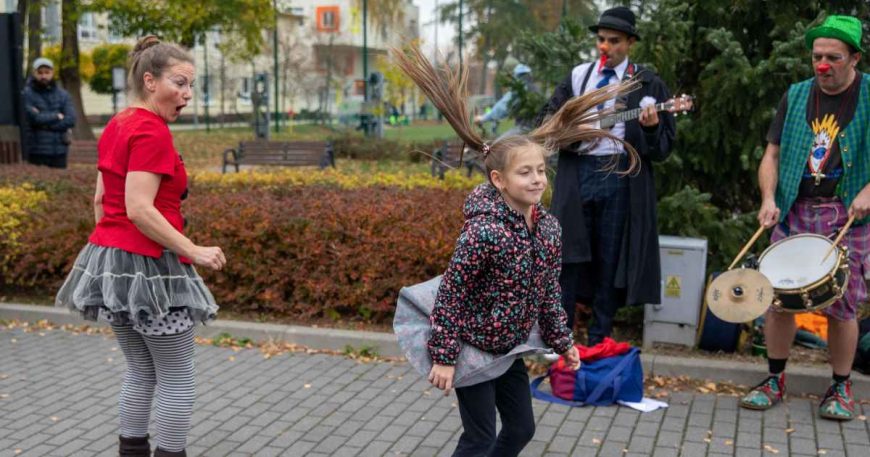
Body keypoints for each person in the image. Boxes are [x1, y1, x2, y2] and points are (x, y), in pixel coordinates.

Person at [392, 44, 638, 457]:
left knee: (521, 429)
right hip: (471, 349)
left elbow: (546, 293)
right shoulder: (483, 232)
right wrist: (445, 357)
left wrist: (563, 342)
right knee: (479, 437)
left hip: (509, 350)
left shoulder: (548, 229)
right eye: (525, 172)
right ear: (499, 180)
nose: (538, 179)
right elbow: (451, 296)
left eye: (541, 170)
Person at [55, 36, 226, 456]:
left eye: (191, 86)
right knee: (177, 376)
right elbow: (139, 208)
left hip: (113, 269)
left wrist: (115, 252)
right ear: (149, 80)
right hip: (152, 269)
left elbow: (101, 200)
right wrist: (196, 249)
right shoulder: (151, 131)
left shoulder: (118, 123)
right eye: (179, 82)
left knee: (141, 373)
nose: (187, 94)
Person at [747, 14, 867, 421]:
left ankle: (840, 385)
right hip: (795, 208)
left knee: (843, 305)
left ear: (855, 59)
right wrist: (768, 196)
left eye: (833, 57)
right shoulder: (796, 95)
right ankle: (775, 378)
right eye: (817, 56)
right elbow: (772, 155)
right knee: (778, 298)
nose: (823, 65)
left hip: (847, 212)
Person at [535, 6, 675, 346]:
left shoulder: (647, 83)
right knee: (567, 259)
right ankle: (560, 341)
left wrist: (653, 127)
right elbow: (546, 120)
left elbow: (663, 149)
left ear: (629, 43)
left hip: (620, 178)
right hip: (577, 175)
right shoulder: (579, 77)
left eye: (614, 41)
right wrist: (570, 128)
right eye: (601, 39)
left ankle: (599, 340)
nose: (606, 47)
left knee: (610, 261)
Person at [22, 57, 76, 168]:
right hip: (36, 151)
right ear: (34, 73)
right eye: (40, 72)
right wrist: (57, 115)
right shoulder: (26, 94)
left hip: (60, 151)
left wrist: (42, 123)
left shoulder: (63, 95)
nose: (43, 76)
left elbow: (71, 119)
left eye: (47, 72)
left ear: (52, 73)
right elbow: (33, 118)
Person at [475, 63, 539, 135]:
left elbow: (502, 107)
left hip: (526, 129)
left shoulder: (519, 90)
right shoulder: (536, 89)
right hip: (539, 128)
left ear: (517, 75)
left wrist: (483, 118)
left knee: (497, 144)